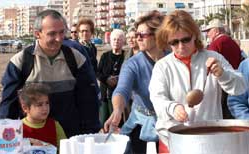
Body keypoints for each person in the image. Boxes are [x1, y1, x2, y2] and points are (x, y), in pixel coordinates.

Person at [149, 10, 246, 153]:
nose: (181, 46)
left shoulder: (214, 58)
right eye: (174, 42)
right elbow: (157, 98)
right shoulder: (162, 66)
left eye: (185, 39)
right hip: (173, 140)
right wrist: (173, 108)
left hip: (210, 139)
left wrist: (223, 75)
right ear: (167, 42)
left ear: (194, 35)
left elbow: (241, 87)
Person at [0, 9, 101, 138]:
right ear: (37, 34)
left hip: (70, 138)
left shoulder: (76, 59)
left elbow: (89, 101)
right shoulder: (21, 61)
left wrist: (89, 136)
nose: (58, 39)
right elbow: (8, 105)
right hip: (32, 139)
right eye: (52, 34)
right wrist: (7, 140)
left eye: (62, 32)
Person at [104, 11, 165, 153]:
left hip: (170, 123)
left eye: (142, 35)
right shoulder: (132, 64)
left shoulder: (172, 58)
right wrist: (118, 110)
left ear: (158, 35)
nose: (138, 38)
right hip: (142, 124)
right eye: (136, 34)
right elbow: (122, 90)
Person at [202, 19, 242, 119]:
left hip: (221, 83)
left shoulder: (216, 44)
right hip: (234, 80)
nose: (207, 34)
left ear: (216, 31)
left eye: (209, 31)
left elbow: (208, 63)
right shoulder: (233, 42)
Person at [18, 83, 66, 147]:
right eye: (39, 105)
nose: (45, 108)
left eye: (47, 103)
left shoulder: (55, 125)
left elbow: (64, 149)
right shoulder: (17, 129)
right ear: (25, 108)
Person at [97, 29, 126, 125]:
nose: (116, 42)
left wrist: (118, 79)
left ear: (123, 41)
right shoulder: (105, 56)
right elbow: (98, 73)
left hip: (120, 96)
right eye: (114, 39)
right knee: (104, 122)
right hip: (105, 94)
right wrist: (107, 79)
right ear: (110, 41)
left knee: (118, 123)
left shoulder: (126, 56)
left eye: (119, 39)